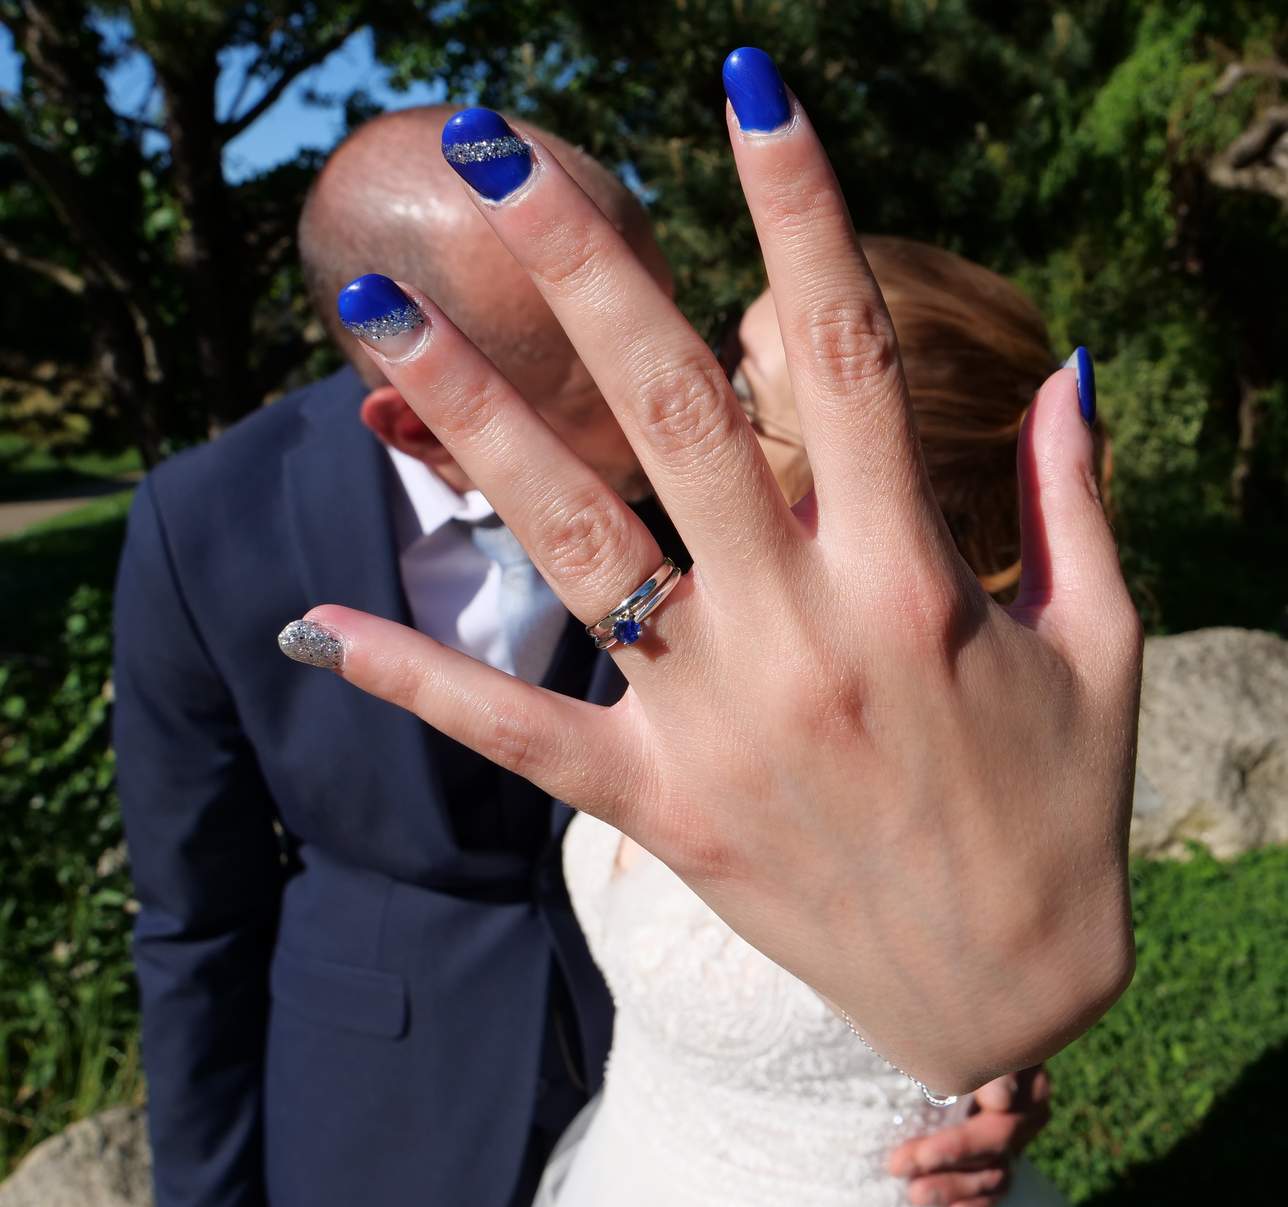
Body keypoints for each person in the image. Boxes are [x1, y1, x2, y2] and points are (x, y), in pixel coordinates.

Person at [112, 100, 1050, 1207]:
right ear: (421, 426)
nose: (681, 378)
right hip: (382, 1101)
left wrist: (982, 1039)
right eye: (603, 362)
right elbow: (195, 923)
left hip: (705, 1096)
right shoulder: (206, 528)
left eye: (663, 307)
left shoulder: (752, 496)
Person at [535, 243, 1082, 1204]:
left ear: (882, 473)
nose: (686, 401)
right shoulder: (667, 593)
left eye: (739, 393)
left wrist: (1013, 1057)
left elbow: (1013, 963)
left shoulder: (965, 756)